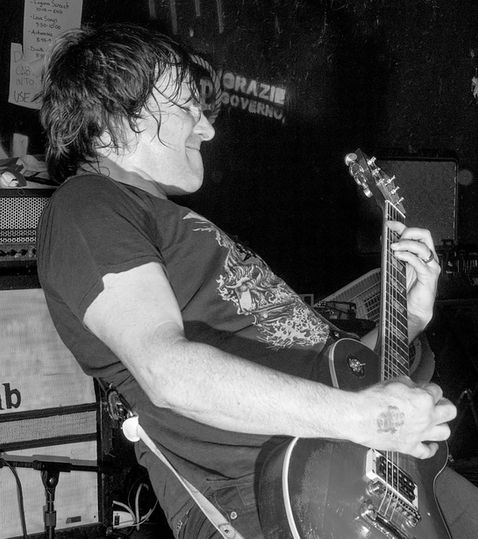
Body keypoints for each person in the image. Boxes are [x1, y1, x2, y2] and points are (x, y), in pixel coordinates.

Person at [36, 23, 478, 539]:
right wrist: (364, 418)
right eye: (187, 107)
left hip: (362, 463)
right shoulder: (88, 203)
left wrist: (410, 317)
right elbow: (166, 370)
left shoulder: (178, 224)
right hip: (270, 491)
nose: (207, 130)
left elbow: (341, 373)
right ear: (114, 123)